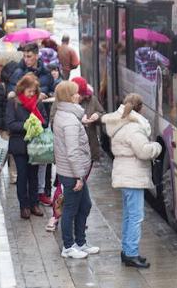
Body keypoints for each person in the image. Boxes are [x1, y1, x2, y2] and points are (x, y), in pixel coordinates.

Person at [102, 93, 162, 268]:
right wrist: (157, 147)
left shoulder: (119, 123)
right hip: (133, 176)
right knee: (136, 216)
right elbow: (143, 151)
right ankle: (132, 253)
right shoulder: (133, 128)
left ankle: (127, 250)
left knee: (129, 216)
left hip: (124, 173)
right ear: (140, 108)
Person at [51, 81, 100, 259]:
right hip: (72, 173)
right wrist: (80, 176)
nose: (78, 95)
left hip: (72, 171)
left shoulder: (66, 114)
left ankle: (80, 242)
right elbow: (72, 152)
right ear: (68, 97)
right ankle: (68, 246)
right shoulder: (70, 121)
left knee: (84, 205)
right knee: (71, 209)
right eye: (75, 93)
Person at [6, 73, 49, 219]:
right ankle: (23, 206)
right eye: (29, 91)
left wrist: (37, 124)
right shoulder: (13, 103)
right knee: (22, 176)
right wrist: (26, 125)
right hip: (19, 145)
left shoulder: (38, 103)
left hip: (35, 145)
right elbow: (10, 124)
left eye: (34, 91)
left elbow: (45, 122)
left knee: (34, 176)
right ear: (22, 89)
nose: (32, 94)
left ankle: (34, 204)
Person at [0, 61, 18, 184]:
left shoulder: (16, 88)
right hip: (4, 128)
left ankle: (14, 177)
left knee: (13, 153)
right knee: (2, 152)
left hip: (13, 126)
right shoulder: (0, 88)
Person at [71, 77, 105, 162]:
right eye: (80, 95)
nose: (82, 97)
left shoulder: (91, 99)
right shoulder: (65, 103)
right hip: (74, 149)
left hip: (91, 146)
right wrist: (80, 121)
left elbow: (103, 114)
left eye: (83, 95)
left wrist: (97, 116)